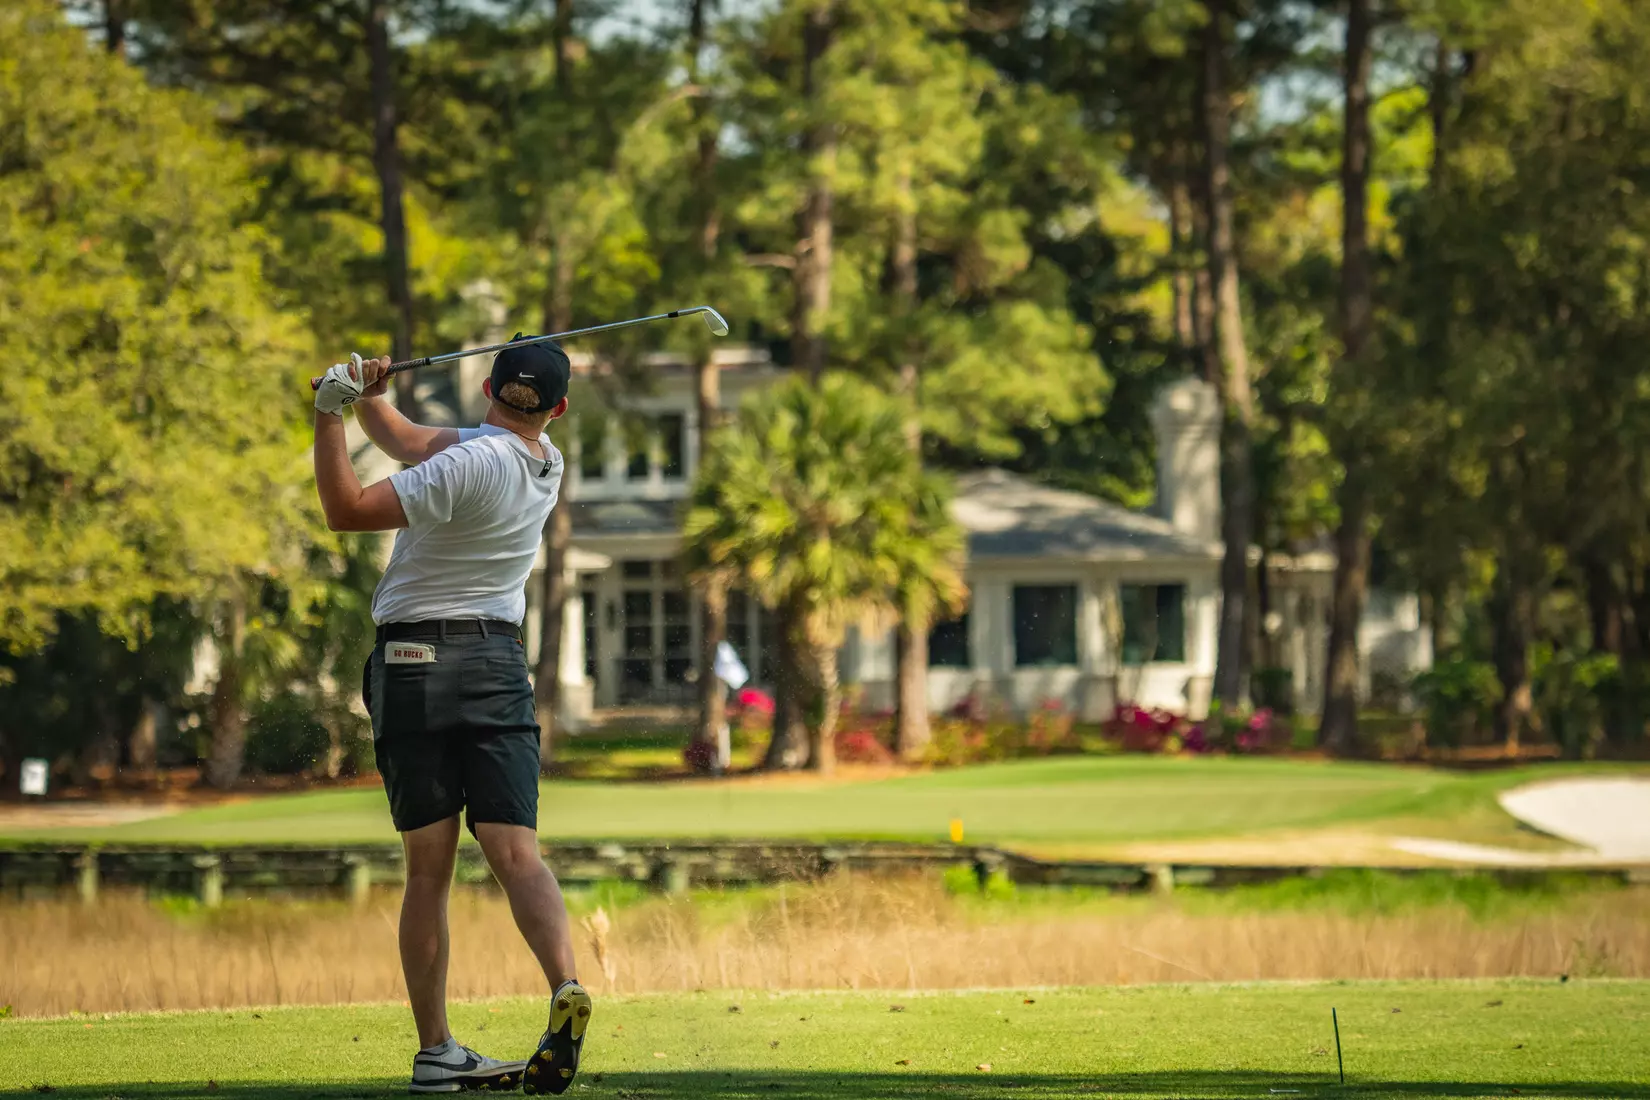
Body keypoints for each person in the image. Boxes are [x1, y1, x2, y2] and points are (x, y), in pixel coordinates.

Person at [312, 339, 591, 1096]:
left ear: (487, 387)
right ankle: (564, 983)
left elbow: (345, 511)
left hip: (413, 666)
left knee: (428, 872)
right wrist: (371, 395)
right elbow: (407, 440)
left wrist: (328, 416)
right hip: (497, 665)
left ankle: (436, 1050)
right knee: (517, 853)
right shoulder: (544, 463)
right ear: (557, 410)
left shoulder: (466, 465)